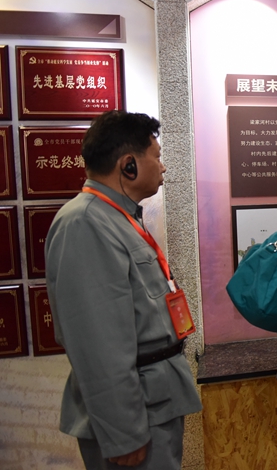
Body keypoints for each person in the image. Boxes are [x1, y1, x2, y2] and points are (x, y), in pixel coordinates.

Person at [45, 110, 202, 469]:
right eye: (157, 157)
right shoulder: (85, 223)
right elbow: (97, 344)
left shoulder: (117, 218)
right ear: (128, 165)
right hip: (134, 415)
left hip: (154, 400)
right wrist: (123, 432)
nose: (163, 167)